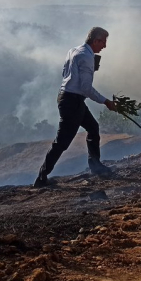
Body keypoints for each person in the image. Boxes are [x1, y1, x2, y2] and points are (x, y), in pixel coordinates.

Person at [34, 27, 117, 187]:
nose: (104, 46)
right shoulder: (86, 57)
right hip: (73, 100)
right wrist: (106, 101)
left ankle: (95, 166)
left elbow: (65, 73)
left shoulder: (73, 51)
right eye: (103, 42)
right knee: (62, 142)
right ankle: (42, 177)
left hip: (67, 97)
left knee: (93, 127)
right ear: (95, 41)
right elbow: (86, 88)